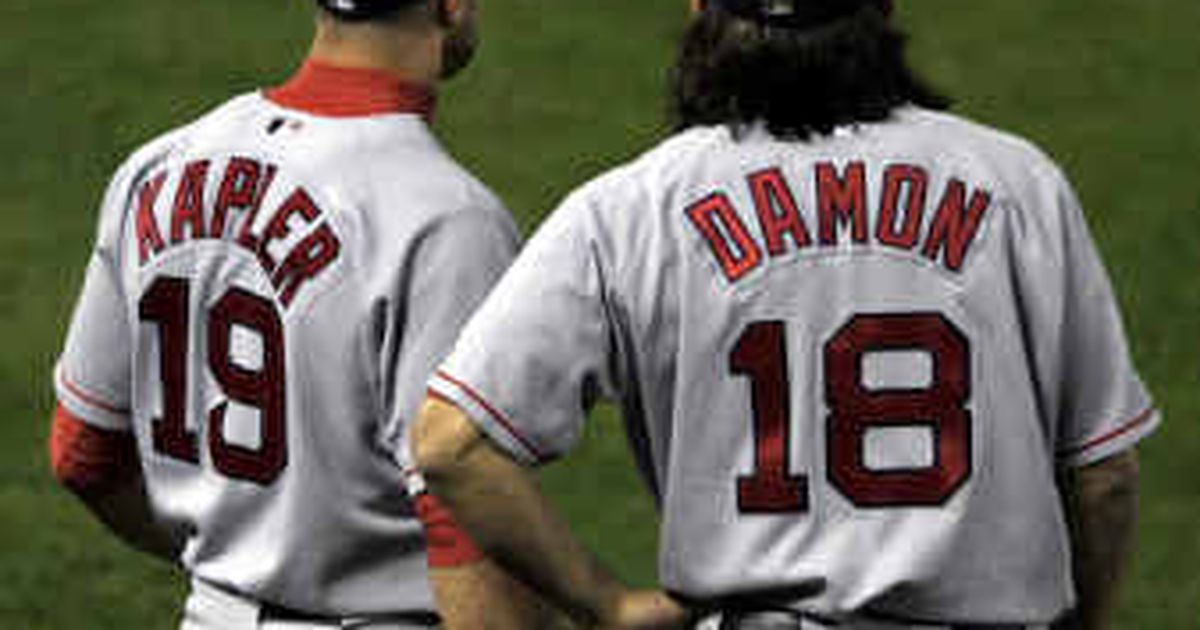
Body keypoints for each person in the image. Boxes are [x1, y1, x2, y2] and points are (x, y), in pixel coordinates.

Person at [410, 0, 1158, 628]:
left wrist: (607, 604)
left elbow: (450, 444)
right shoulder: (1017, 185)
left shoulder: (633, 207)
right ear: (881, 12)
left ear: (702, 14)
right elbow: (1104, 478)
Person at [49, 0, 542, 627]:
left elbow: (83, 451)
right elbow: (466, 533)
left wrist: (238, 572)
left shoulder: (158, 168)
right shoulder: (450, 221)